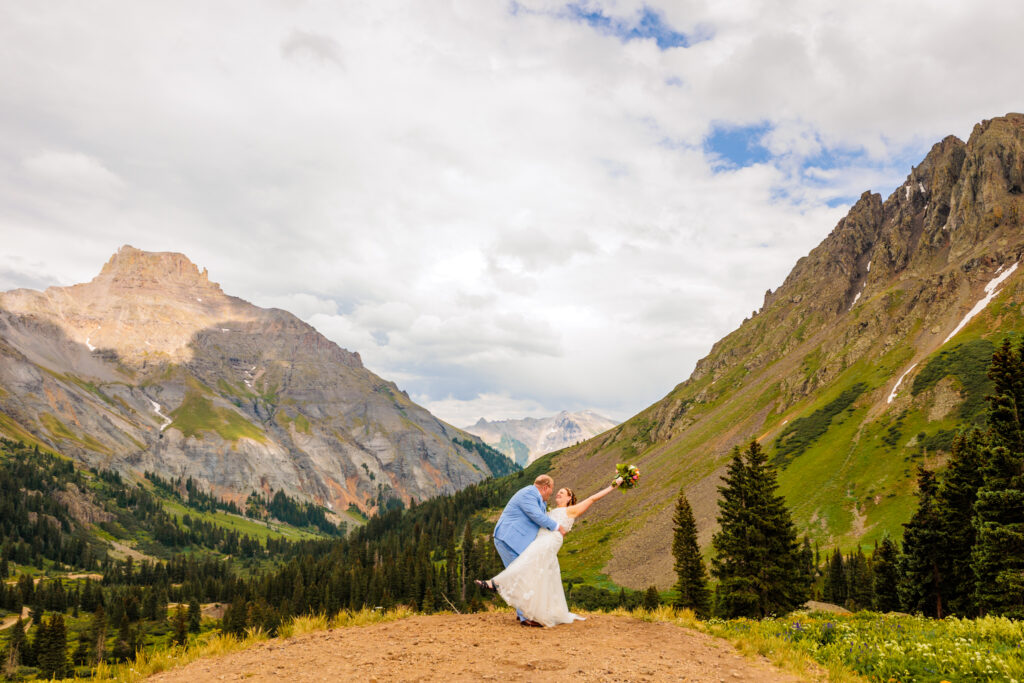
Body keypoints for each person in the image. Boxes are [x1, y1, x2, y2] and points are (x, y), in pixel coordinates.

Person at [477, 477, 622, 627]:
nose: (557, 494)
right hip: (540, 540)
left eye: (562, 492)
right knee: (537, 575)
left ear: (569, 498)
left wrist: (613, 485)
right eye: (557, 491)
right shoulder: (548, 509)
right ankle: (528, 611)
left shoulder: (571, 510)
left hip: (548, 541)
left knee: (524, 566)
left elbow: (592, 499)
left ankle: (496, 584)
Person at [488, 474, 567, 625]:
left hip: (516, 541)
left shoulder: (539, 500)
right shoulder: (528, 493)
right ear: (545, 487)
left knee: (522, 575)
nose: (552, 493)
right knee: (522, 577)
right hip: (508, 539)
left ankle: (523, 613)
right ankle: (526, 617)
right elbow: (535, 515)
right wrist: (557, 527)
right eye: (552, 489)